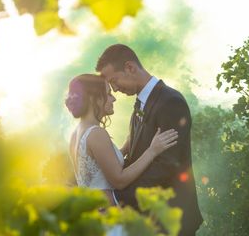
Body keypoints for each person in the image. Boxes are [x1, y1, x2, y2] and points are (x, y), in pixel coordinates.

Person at [96, 44, 203, 236]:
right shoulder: (140, 103)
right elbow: (137, 156)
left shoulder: (170, 101)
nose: (114, 89)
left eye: (114, 80)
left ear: (130, 67)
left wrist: (118, 197)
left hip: (171, 218)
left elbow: (166, 165)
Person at [65, 74, 178, 206]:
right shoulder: (96, 134)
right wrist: (152, 151)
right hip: (107, 212)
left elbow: (99, 168)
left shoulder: (76, 133)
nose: (113, 99)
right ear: (95, 99)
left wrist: (124, 148)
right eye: (108, 94)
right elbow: (119, 181)